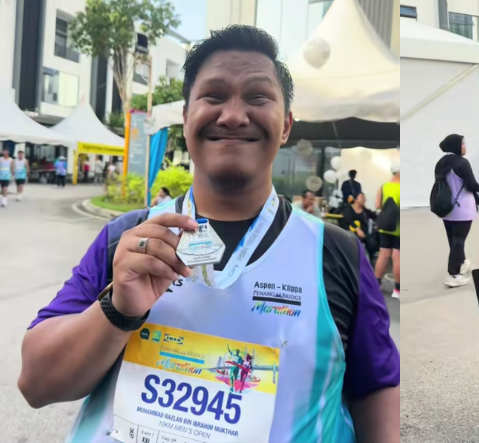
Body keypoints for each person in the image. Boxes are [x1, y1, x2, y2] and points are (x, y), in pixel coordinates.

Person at [18, 25, 400, 443]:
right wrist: (118, 312)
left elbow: (374, 387)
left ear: (287, 125)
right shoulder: (127, 239)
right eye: (213, 95)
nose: (233, 115)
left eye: (258, 97)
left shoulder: (336, 253)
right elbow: (37, 384)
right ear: (185, 118)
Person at [435, 134, 479, 288]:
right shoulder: (462, 163)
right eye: (463, 144)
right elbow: (472, 185)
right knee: (459, 241)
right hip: (462, 208)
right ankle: (453, 274)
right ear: (456, 146)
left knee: (453, 240)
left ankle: (462, 262)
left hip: (447, 208)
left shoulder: (441, 163)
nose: (465, 147)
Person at [375, 168, 401, 298]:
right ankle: (397, 290)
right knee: (397, 257)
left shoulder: (383, 186)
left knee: (383, 254)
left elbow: (377, 205)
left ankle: (376, 285)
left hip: (385, 226)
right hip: (399, 228)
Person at [343, 192, 378, 259]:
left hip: (364, 234)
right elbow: (348, 220)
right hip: (351, 233)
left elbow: (375, 217)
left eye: (364, 198)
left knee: (373, 243)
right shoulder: (348, 209)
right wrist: (357, 229)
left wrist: (379, 224)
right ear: (355, 199)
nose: (364, 199)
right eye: (362, 197)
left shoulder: (365, 211)